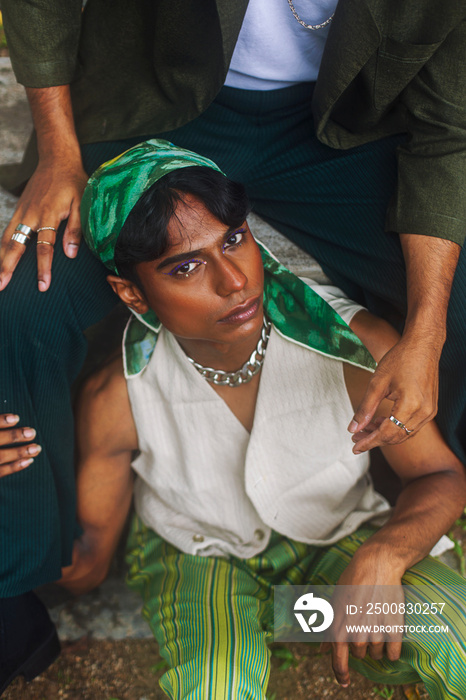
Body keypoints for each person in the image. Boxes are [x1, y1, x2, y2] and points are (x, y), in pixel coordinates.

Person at [0, 0, 465, 680]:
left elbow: (439, 475)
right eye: (186, 267)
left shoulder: (356, 345)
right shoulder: (117, 398)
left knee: (449, 632)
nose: (232, 283)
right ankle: (11, 591)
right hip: (200, 568)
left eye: (236, 242)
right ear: (129, 294)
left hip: (338, 564)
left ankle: (311, 611)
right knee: (217, 677)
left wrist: (392, 549)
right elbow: (86, 563)